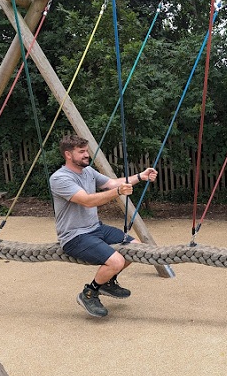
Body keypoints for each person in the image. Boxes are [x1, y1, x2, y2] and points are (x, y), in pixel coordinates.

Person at [49, 134, 158, 317]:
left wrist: (141, 176)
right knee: (117, 261)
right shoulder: (59, 178)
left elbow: (112, 183)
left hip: (95, 228)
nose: (86, 155)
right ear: (68, 155)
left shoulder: (88, 172)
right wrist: (117, 192)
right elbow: (87, 201)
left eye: (87, 151)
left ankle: (108, 281)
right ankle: (89, 293)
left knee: (137, 249)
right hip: (74, 236)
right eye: (81, 151)